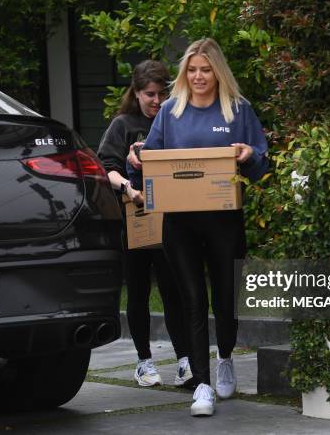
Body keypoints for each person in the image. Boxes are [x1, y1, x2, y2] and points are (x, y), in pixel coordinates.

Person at [127, 39, 268, 416]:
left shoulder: (237, 110)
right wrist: (136, 159)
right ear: (184, 73)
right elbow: (147, 159)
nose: (198, 76)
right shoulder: (171, 111)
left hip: (223, 219)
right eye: (192, 70)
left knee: (225, 297)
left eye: (205, 69)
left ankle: (224, 357)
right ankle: (202, 384)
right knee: (192, 299)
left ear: (217, 72)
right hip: (179, 222)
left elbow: (261, 161)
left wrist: (250, 154)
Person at [97, 60, 192, 388]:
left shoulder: (174, 122)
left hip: (171, 221)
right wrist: (129, 188)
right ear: (135, 93)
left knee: (173, 291)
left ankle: (184, 361)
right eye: (149, 94)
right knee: (137, 291)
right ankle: (144, 361)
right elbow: (105, 167)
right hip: (135, 221)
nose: (156, 101)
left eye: (161, 94)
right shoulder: (122, 125)